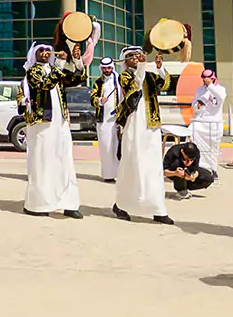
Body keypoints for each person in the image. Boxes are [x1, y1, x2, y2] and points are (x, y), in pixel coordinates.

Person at [21, 42, 86, 218]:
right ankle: (38, 204)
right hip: (42, 124)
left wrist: (77, 60)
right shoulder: (33, 72)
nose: (44, 53)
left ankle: (69, 203)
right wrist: (59, 64)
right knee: (43, 162)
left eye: (47, 50)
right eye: (41, 50)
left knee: (65, 161)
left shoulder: (56, 69)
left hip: (61, 122)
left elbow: (76, 79)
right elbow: (45, 85)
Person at [112, 46, 175, 225]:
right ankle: (121, 205)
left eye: (136, 55)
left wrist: (160, 68)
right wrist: (141, 67)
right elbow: (134, 88)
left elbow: (165, 85)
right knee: (134, 164)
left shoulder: (149, 74)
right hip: (135, 124)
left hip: (152, 125)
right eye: (130, 56)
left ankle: (158, 209)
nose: (134, 58)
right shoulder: (124, 76)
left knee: (153, 166)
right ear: (125, 60)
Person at [190, 69, 226, 173]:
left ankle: (213, 169)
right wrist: (198, 105)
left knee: (212, 148)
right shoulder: (199, 90)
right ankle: (197, 167)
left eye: (208, 79)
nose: (206, 81)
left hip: (214, 123)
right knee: (193, 141)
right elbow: (194, 105)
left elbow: (220, 98)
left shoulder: (220, 89)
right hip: (200, 121)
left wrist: (210, 86)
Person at [94, 58, 120, 183]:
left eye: (109, 68)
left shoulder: (119, 81)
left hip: (118, 120)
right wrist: (99, 100)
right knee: (106, 147)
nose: (107, 70)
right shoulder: (98, 83)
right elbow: (92, 97)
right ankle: (109, 175)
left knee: (119, 148)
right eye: (104, 68)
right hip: (104, 121)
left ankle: (121, 174)